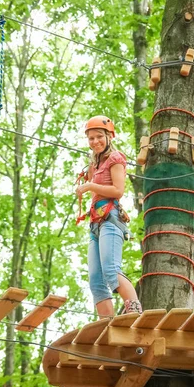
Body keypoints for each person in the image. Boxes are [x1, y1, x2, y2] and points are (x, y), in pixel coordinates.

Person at [76, 115, 142, 318]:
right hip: (96, 224)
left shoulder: (116, 159)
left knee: (111, 271)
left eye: (99, 137)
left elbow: (118, 190)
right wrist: (87, 178)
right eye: (91, 138)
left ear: (109, 136)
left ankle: (136, 313)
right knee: (96, 280)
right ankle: (106, 324)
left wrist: (89, 186)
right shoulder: (93, 165)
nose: (95, 142)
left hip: (110, 219)